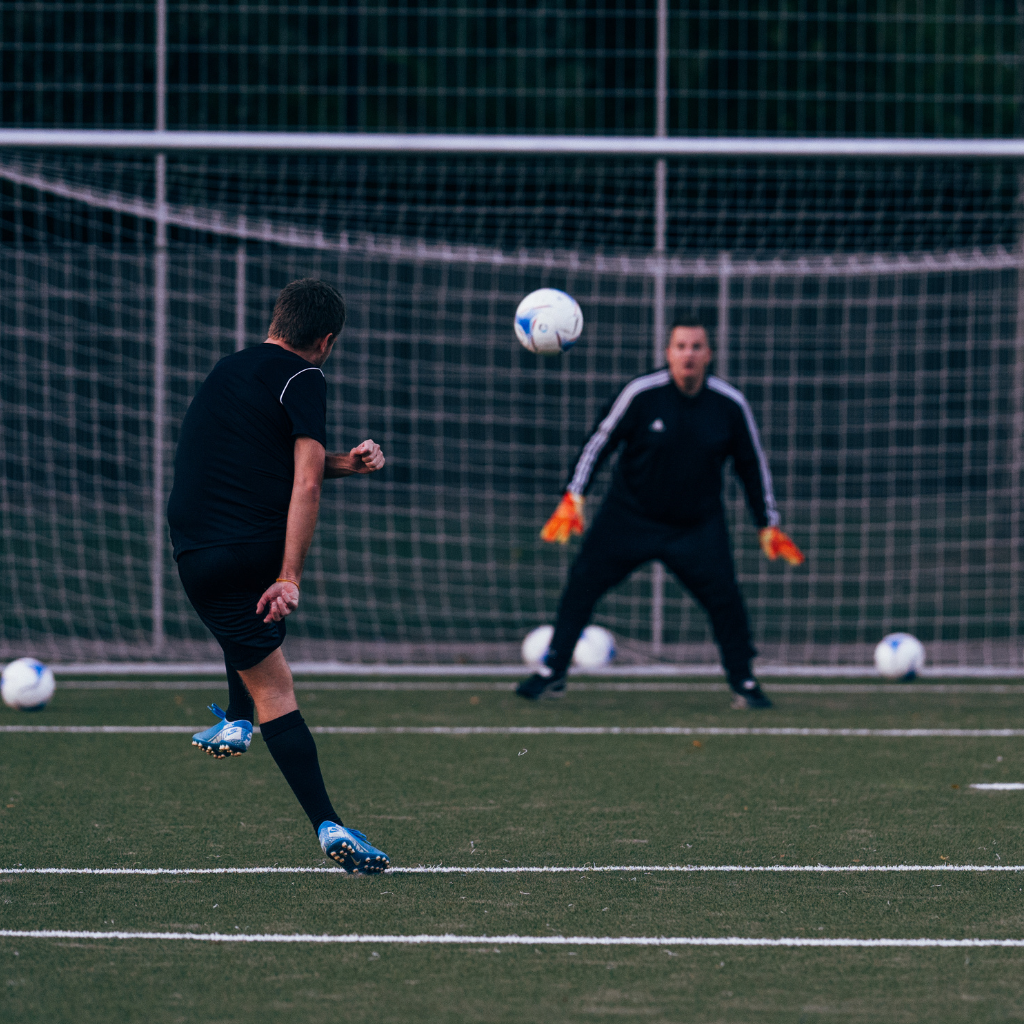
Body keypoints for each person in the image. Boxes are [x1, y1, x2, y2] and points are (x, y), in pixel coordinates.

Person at [167, 278, 390, 873]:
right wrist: (289, 575)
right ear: (326, 339)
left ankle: (236, 723)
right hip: (252, 546)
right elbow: (304, 482)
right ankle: (329, 823)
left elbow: (280, 462)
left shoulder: (229, 369)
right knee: (277, 688)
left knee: (240, 624)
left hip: (193, 552)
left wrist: (348, 461)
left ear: (275, 320)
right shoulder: (306, 376)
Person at [517, 317, 804, 709]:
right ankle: (553, 672)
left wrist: (768, 523)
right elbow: (600, 441)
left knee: (726, 601)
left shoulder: (729, 404)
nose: (689, 354)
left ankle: (744, 682)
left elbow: (752, 464)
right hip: (628, 517)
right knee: (582, 584)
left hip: (696, 526)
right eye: (681, 346)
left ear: (709, 355)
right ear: (668, 353)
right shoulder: (642, 393)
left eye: (697, 347)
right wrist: (574, 496)